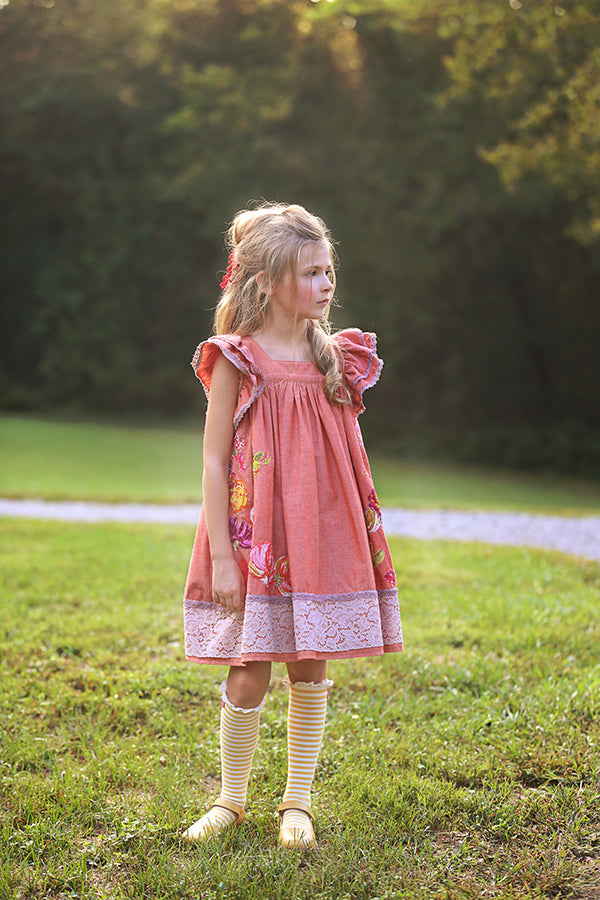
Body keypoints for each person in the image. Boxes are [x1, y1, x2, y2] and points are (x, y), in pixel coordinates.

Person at [181, 202, 403, 849]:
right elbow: (215, 460)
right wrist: (222, 556)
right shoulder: (236, 357)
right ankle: (229, 800)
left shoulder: (334, 355)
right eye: (312, 273)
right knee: (249, 665)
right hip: (257, 541)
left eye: (329, 270)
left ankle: (297, 803)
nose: (327, 284)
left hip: (320, 532)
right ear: (267, 281)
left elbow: (340, 459)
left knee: (310, 661)